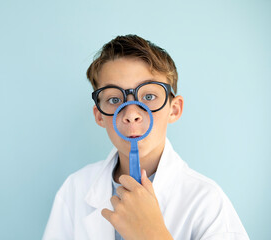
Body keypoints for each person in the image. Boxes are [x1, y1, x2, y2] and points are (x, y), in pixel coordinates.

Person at [42, 35, 249, 240]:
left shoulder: (208, 202)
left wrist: (153, 235)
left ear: (174, 110)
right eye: (114, 99)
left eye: (149, 97)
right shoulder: (74, 190)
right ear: (99, 116)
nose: (131, 114)